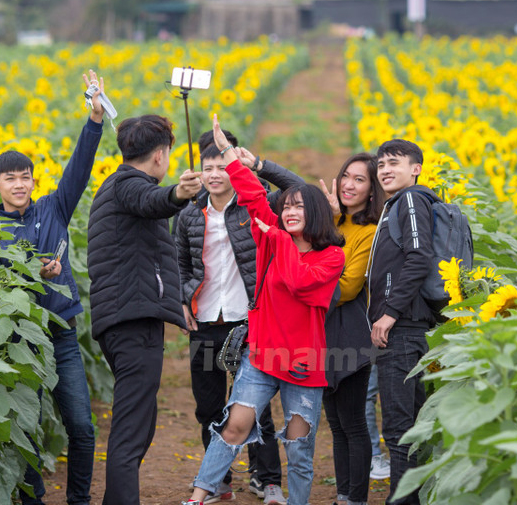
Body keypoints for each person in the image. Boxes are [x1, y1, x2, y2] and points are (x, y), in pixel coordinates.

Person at [182, 114, 345, 505]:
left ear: (316, 215)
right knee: (234, 426)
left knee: (299, 446)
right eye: (285, 208)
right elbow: (255, 198)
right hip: (261, 352)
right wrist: (229, 155)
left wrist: (278, 237)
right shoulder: (271, 238)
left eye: (298, 208)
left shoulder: (331, 257)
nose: (288, 212)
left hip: (304, 362)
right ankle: (200, 495)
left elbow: (299, 283)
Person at [0, 70, 105, 505]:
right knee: (25, 426)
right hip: (19, 340)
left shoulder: (54, 208)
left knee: (81, 425)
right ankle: (33, 500)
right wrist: (28, 274)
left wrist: (94, 120)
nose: (20, 184)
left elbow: (79, 167)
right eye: (11, 179)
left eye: (26, 177)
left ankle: (78, 501)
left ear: (33, 182)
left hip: (60, 334)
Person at [177, 133, 303, 505]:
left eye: (221, 166)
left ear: (233, 169)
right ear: (199, 172)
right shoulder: (188, 214)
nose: (214, 174)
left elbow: (299, 190)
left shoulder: (255, 205)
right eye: (207, 168)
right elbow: (179, 263)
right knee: (209, 406)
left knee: (253, 405)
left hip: (249, 321)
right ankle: (219, 482)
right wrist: (183, 300)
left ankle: (267, 481)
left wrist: (257, 165)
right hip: (204, 322)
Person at [87, 114, 202, 505]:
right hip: (132, 323)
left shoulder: (114, 185)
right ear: (160, 155)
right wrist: (177, 195)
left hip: (126, 319)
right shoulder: (129, 185)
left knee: (140, 426)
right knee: (130, 432)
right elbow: (152, 202)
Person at [367, 139, 438, 505]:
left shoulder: (410, 200)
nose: (384, 170)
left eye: (394, 162)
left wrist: (389, 312)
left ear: (416, 168)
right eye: (380, 165)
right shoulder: (398, 204)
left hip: (404, 330)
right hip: (409, 329)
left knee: (398, 430)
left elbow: (420, 255)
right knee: (408, 427)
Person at [318, 153, 385, 505]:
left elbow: (348, 287)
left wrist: (306, 285)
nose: (349, 184)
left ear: (372, 190)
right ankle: (343, 494)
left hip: (351, 334)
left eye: (360, 179)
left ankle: (355, 497)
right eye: (346, 175)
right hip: (322, 331)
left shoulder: (369, 232)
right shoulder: (333, 222)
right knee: (337, 424)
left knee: (354, 422)